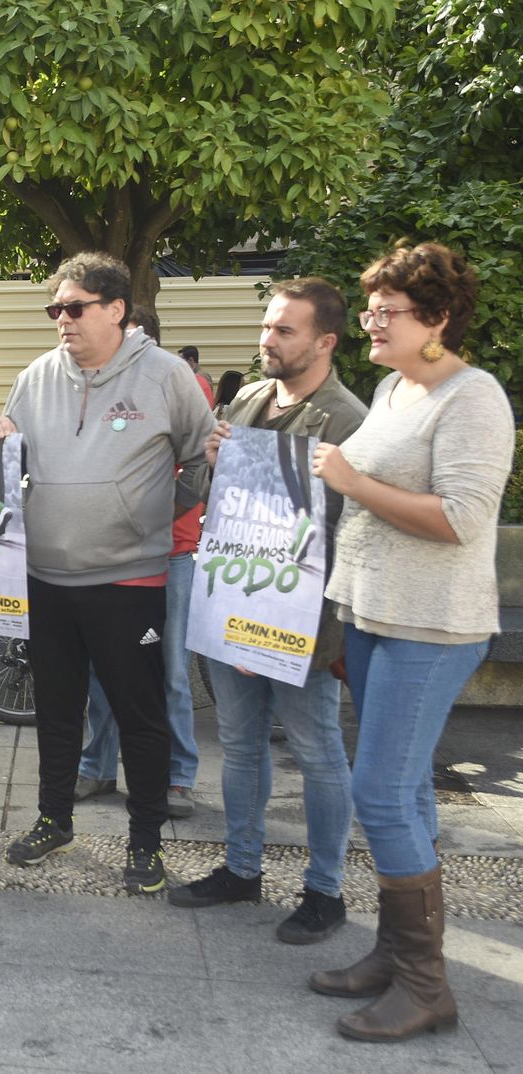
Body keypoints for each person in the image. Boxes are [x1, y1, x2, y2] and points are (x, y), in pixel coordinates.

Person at [308, 243, 513, 1042]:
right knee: (409, 795)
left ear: (435, 320)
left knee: (382, 792)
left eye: (386, 311)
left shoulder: (474, 398)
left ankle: (428, 986)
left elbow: (461, 517)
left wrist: (353, 481)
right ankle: (397, 954)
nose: (371, 322)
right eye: (369, 308)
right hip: (370, 614)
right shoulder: (395, 389)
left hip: (431, 624)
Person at [0, 253, 215, 894]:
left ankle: (145, 843)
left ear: (116, 309)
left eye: (75, 308)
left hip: (130, 581)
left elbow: (202, 460)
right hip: (48, 579)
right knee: (58, 711)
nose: (62, 320)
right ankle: (54, 819)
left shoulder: (167, 376)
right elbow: (17, 463)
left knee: (139, 715)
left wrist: (151, 517)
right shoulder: (34, 377)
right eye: (55, 309)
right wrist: (1, 443)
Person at [166, 277, 368, 943]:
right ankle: (242, 868)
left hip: (302, 625)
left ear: (325, 341)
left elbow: (348, 537)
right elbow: (200, 492)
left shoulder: (349, 422)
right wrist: (213, 465)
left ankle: (325, 890)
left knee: (316, 750)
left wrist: (308, 632)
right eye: (266, 326)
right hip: (232, 607)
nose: (267, 339)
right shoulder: (247, 399)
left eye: (284, 330)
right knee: (242, 744)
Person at [75, 311, 213, 817]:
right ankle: (97, 769)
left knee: (170, 671)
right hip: (109, 558)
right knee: (102, 670)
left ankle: (178, 777)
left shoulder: (180, 381)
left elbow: (200, 460)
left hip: (171, 555)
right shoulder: (91, 385)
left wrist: (165, 516)